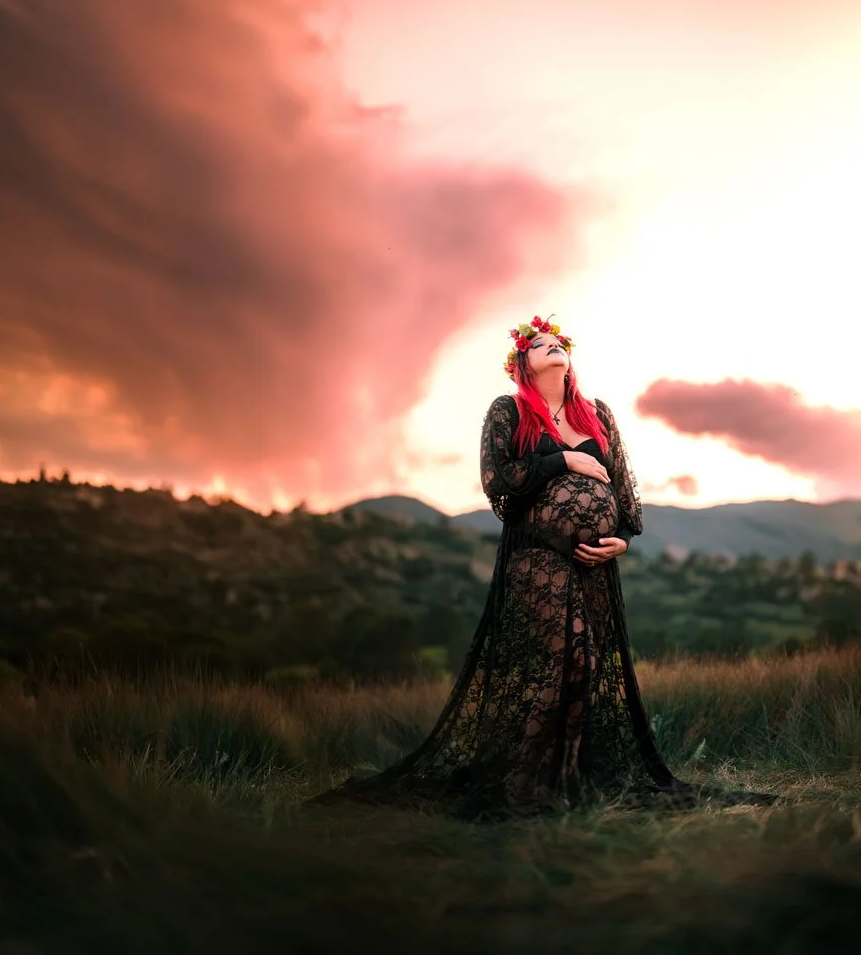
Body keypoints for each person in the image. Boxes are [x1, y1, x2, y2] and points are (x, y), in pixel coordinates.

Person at [314, 315, 776, 819]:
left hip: (594, 563)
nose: (552, 345)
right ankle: (516, 785)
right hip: (537, 555)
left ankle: (561, 782)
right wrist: (564, 461)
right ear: (523, 363)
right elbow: (498, 479)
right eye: (540, 343)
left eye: (558, 342)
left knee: (585, 669)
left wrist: (621, 541)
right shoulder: (508, 410)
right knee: (570, 660)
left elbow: (623, 492)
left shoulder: (597, 413)